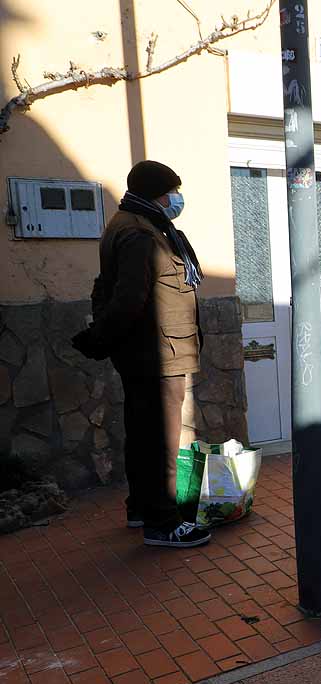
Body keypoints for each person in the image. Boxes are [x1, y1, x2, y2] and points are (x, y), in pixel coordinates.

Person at [70, 160, 209, 548]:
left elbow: (109, 288)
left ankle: (140, 508)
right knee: (160, 440)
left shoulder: (138, 225)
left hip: (153, 349)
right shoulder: (140, 234)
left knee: (143, 434)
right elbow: (128, 297)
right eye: (172, 193)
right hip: (157, 352)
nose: (176, 200)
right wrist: (101, 337)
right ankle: (164, 523)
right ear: (156, 194)